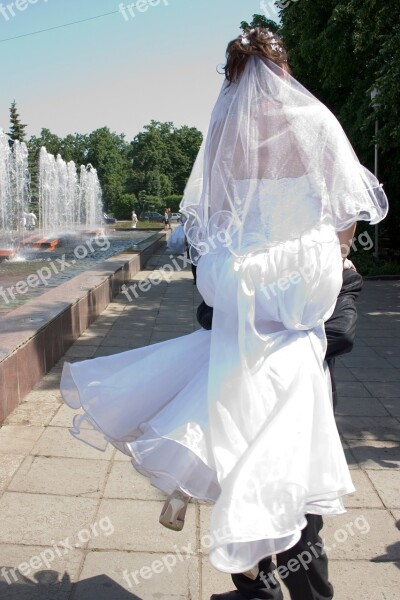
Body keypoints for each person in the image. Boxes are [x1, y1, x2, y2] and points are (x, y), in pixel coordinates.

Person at [59, 26, 388, 592]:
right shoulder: (314, 123)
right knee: (296, 460)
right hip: (299, 315)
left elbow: (211, 223)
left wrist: (236, 278)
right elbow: (344, 212)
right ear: (284, 69)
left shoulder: (224, 132)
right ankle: (308, 589)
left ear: (230, 76)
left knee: (231, 451)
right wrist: (322, 266)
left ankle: (253, 585)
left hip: (239, 312)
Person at [198, 264, 363, 600]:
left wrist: (258, 337)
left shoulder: (331, 268)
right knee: (240, 503)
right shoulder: (246, 260)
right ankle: (258, 591)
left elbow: (340, 332)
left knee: (299, 522)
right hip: (243, 404)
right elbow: (206, 314)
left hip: (301, 416)